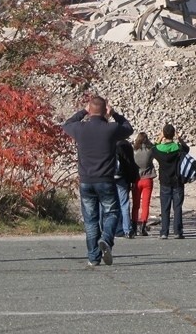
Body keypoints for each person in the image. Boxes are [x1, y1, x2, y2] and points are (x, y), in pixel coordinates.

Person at [63, 96, 133, 267]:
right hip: (106, 179)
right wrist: (115, 114)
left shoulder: (80, 128)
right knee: (112, 212)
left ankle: (93, 257)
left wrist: (84, 111)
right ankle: (106, 239)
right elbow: (128, 128)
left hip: (86, 180)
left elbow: (66, 124)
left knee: (90, 219)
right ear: (105, 111)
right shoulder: (111, 129)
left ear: (90, 110)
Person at [151, 123, 189, 240]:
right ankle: (178, 231)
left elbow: (152, 149)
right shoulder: (177, 148)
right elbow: (186, 149)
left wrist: (159, 137)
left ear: (164, 134)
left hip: (165, 181)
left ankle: (164, 232)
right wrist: (179, 139)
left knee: (165, 207)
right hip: (177, 180)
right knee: (177, 207)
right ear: (173, 134)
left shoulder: (158, 150)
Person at [131, 132, 156, 236]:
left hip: (137, 179)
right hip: (147, 178)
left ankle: (134, 227)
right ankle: (143, 227)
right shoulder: (150, 150)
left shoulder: (134, 151)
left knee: (135, 205)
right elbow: (155, 146)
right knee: (145, 204)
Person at [114, 136, 139, 238]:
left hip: (110, 177)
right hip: (123, 177)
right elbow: (131, 164)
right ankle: (127, 229)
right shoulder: (127, 146)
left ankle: (115, 228)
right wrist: (133, 180)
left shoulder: (110, 143)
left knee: (113, 204)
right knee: (124, 203)